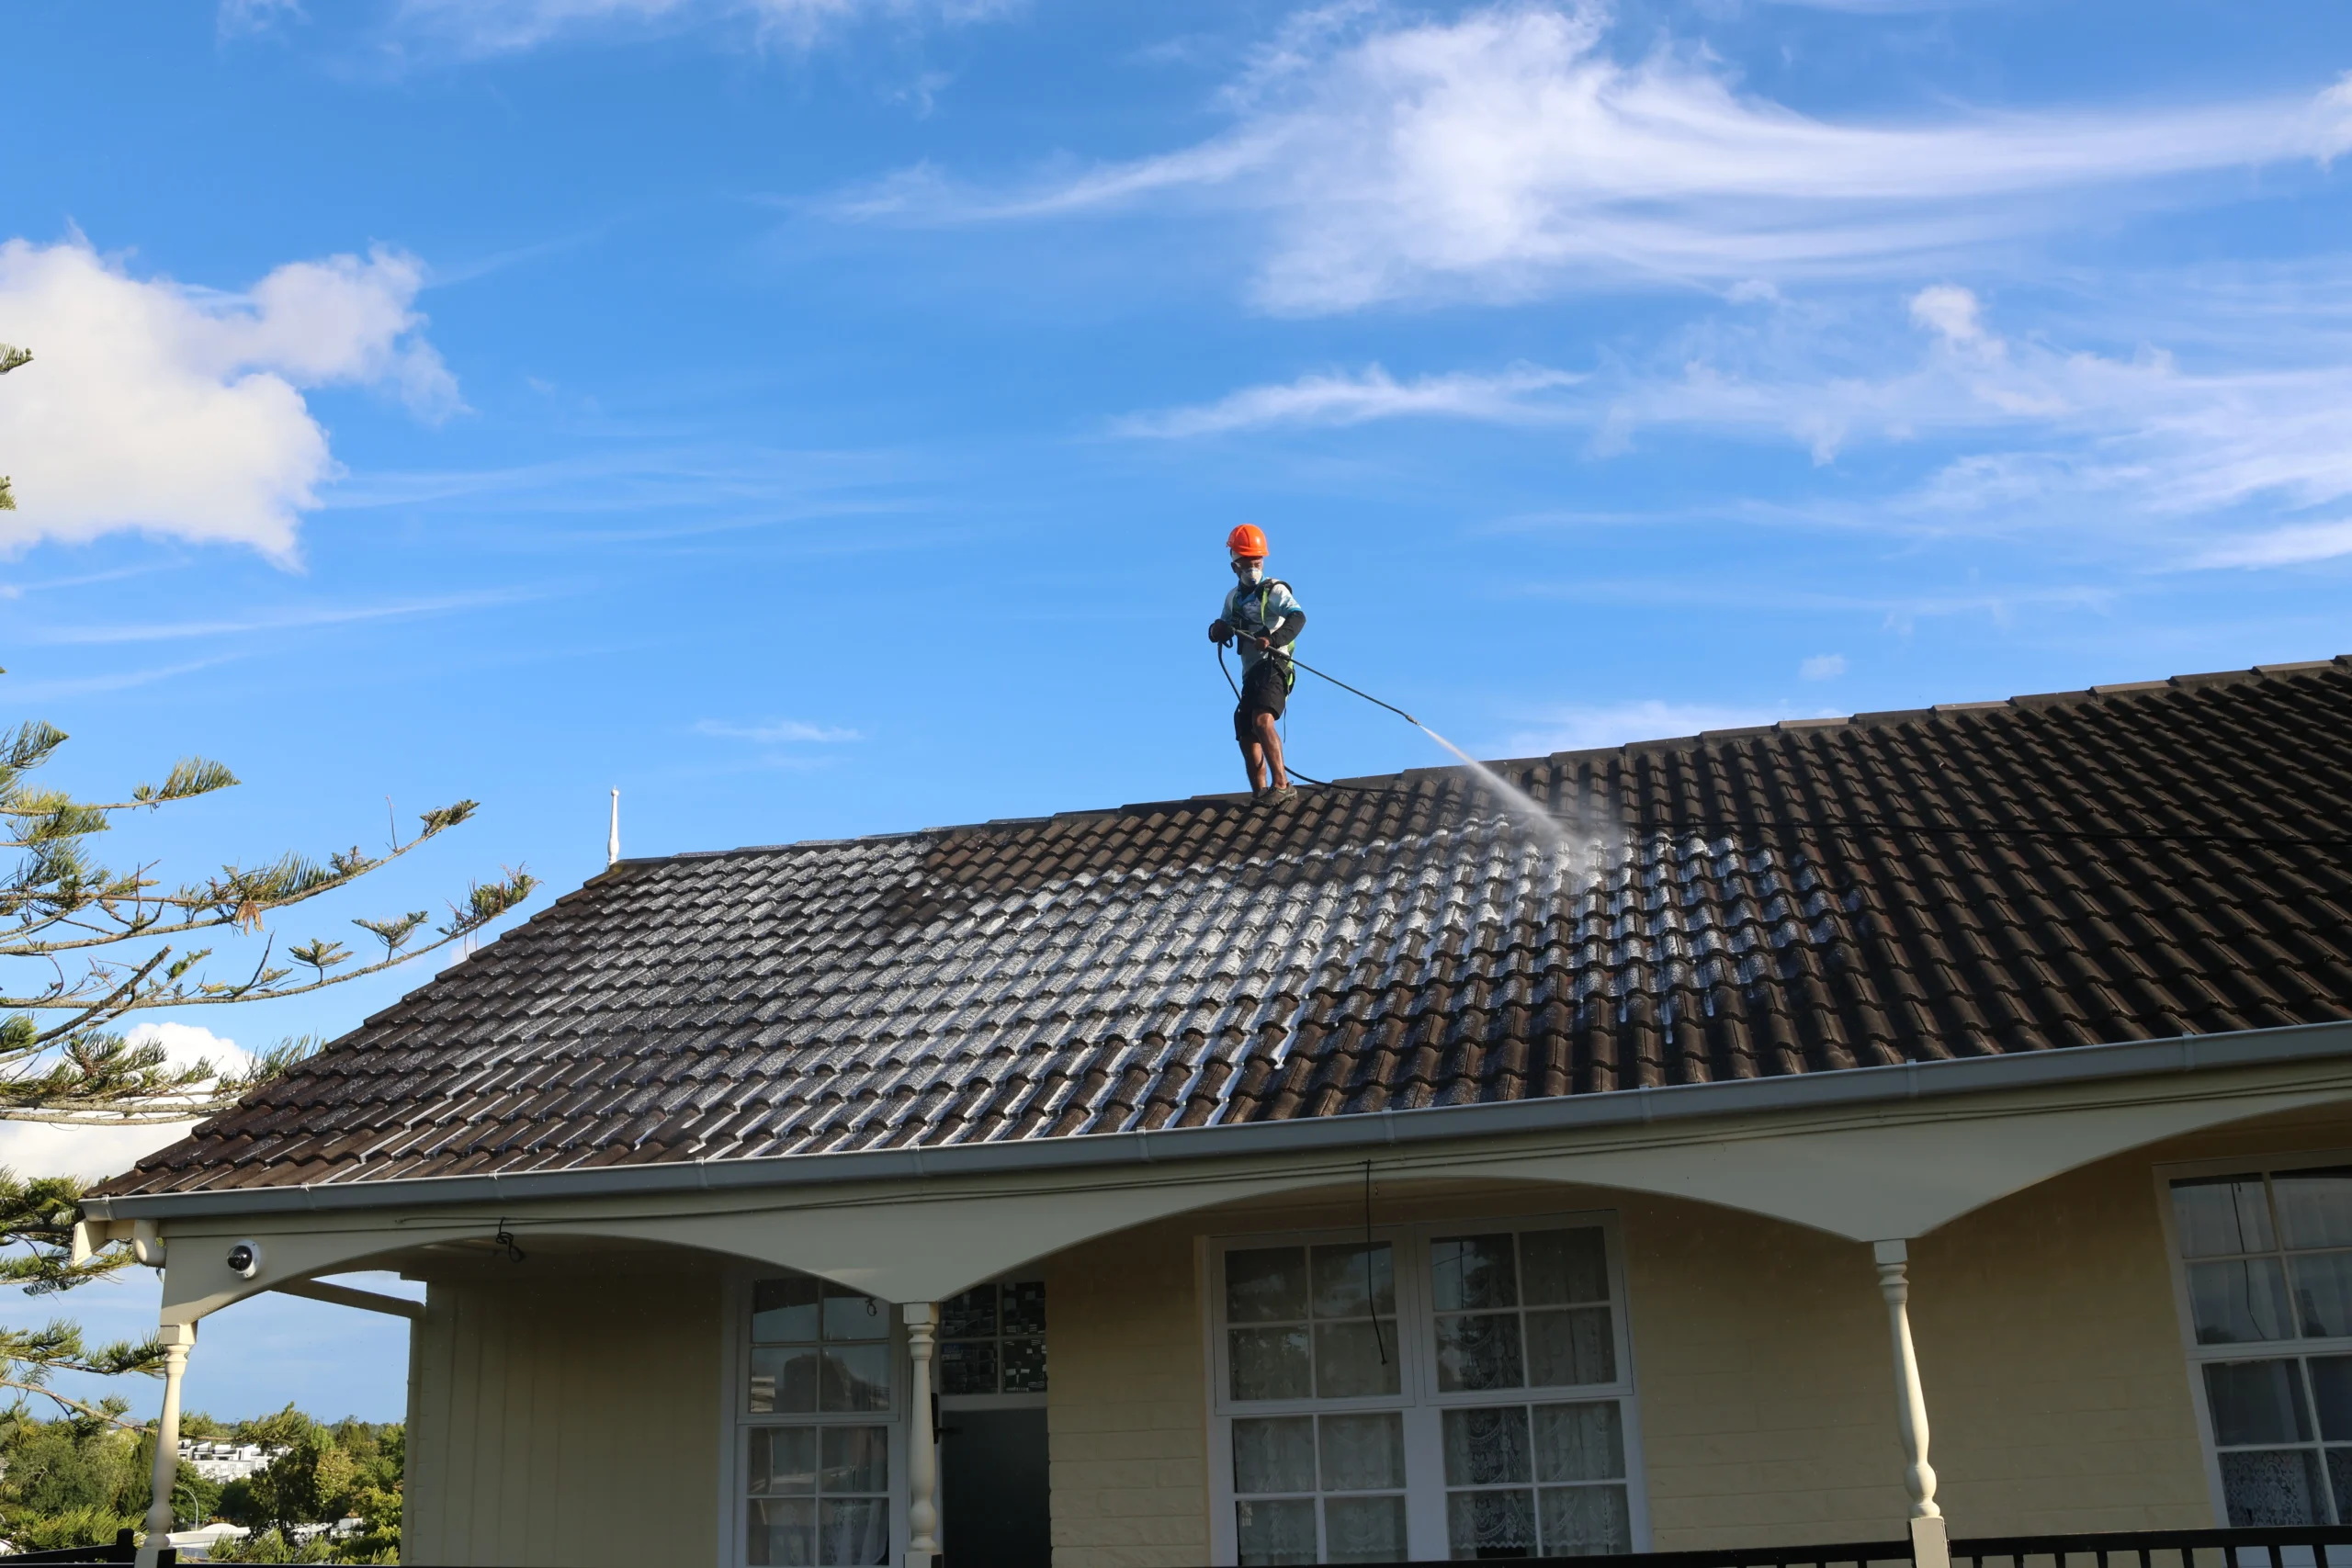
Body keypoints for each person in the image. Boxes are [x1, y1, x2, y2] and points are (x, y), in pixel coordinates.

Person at [1207, 524, 1306, 799]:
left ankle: (1282, 785)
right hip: (1251, 672)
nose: (1253, 569)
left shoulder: (1274, 591)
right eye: (1247, 564)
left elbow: (1298, 617)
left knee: (1262, 720)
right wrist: (1216, 631)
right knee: (1246, 728)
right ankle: (1260, 794)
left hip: (1275, 665)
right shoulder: (1233, 598)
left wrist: (1273, 640)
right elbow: (1223, 625)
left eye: (1257, 563)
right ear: (1235, 567)